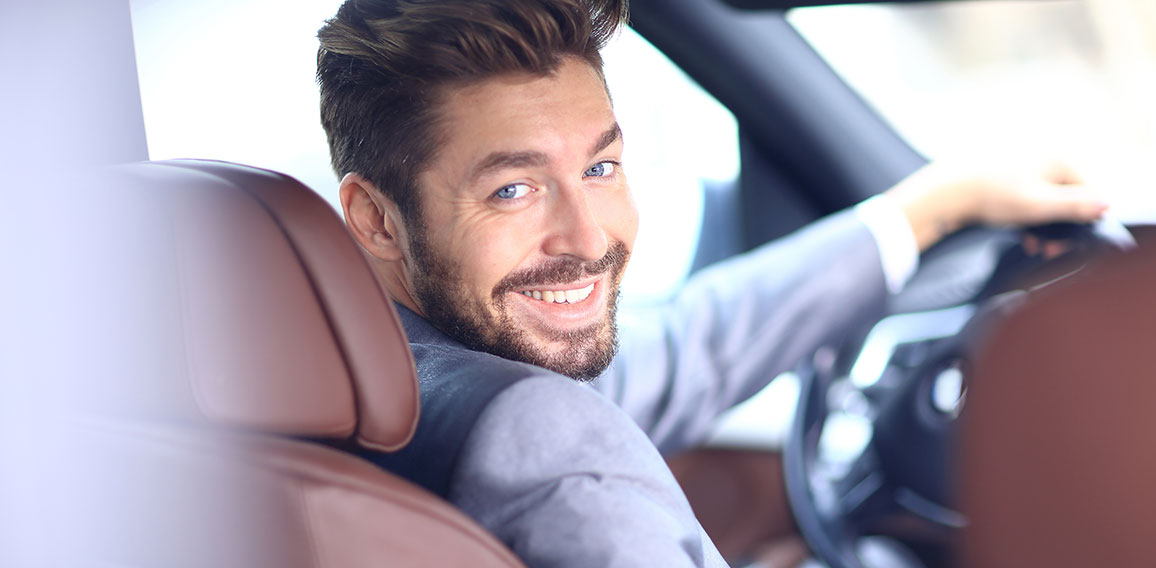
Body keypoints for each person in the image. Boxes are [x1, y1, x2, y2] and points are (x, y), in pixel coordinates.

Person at [315, 1, 1106, 566]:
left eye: (599, 168)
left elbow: (696, 341)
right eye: (512, 190)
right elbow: (559, 427)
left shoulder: (373, 381)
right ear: (376, 218)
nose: (590, 239)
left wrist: (931, 208)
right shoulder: (541, 441)